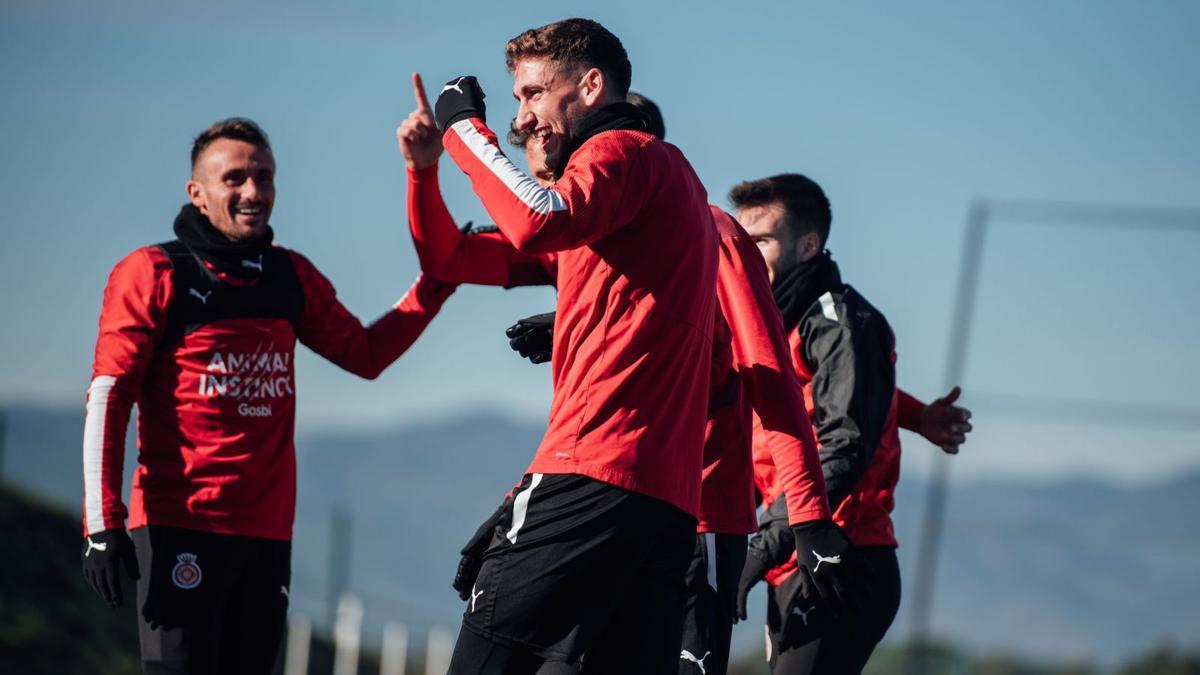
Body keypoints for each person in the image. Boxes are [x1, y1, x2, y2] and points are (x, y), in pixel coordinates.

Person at [496, 94, 855, 675]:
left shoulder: (713, 232)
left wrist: (809, 516)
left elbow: (769, 374)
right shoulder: (583, 246)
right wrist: (519, 498)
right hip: (600, 502)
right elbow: (446, 259)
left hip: (699, 514)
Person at [80, 118, 453, 674]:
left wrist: (439, 281)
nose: (253, 192)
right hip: (179, 525)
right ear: (197, 193)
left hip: (267, 534)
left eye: (265, 177)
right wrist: (102, 524)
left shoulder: (288, 276)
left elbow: (367, 354)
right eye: (234, 179)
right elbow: (110, 395)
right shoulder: (154, 273)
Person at [407, 17, 722, 674]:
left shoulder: (623, 154)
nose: (522, 119)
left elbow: (535, 218)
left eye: (531, 94)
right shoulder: (660, 188)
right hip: (661, 500)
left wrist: (465, 128)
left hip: (595, 470)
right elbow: (448, 255)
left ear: (591, 86)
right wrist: (423, 173)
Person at [729, 174, 972, 674]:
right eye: (741, 240)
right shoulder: (781, 322)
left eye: (763, 241)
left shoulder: (840, 320)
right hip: (791, 557)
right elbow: (832, 394)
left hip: (845, 553)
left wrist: (762, 543)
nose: (748, 254)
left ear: (809, 245)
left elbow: (844, 441)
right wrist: (917, 416)